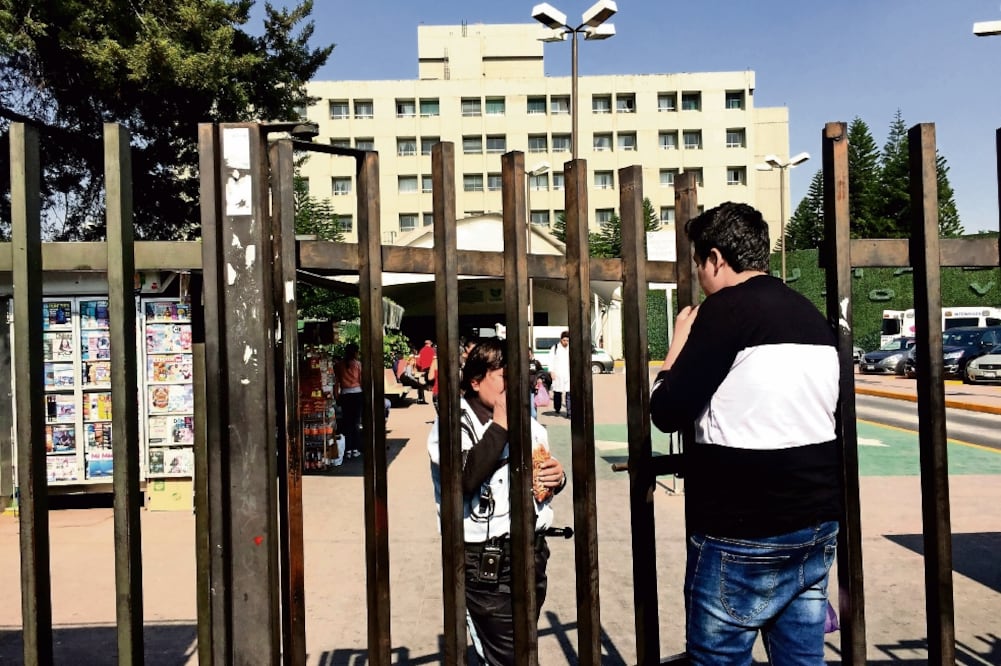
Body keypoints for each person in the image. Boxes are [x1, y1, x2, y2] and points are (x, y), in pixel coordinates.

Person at [649, 202, 841, 665]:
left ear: (715, 258)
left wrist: (674, 350)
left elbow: (667, 411)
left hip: (742, 531)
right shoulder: (809, 315)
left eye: (698, 264)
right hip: (815, 525)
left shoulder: (725, 311)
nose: (699, 276)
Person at [427, 338, 567, 665]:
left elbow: (537, 474)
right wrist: (501, 424)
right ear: (475, 380)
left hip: (531, 551)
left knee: (519, 645)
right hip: (485, 561)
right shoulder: (454, 422)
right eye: (504, 377)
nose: (515, 386)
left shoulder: (525, 422)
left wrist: (556, 478)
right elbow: (461, 479)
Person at [334, 342, 364, 459]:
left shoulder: (339, 365)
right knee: (356, 423)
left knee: (347, 423)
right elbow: (361, 380)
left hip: (345, 395)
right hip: (357, 394)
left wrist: (337, 396)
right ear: (355, 352)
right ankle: (355, 448)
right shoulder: (358, 365)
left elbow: (336, 383)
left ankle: (348, 449)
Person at [547, 331, 571, 418]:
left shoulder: (571, 348)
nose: (566, 342)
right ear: (561, 340)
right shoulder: (555, 348)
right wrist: (551, 372)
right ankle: (557, 409)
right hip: (558, 374)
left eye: (567, 340)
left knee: (569, 393)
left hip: (568, 374)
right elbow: (550, 360)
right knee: (557, 393)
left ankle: (569, 412)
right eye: (564, 340)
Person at [417, 339, 436, 404]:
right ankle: (430, 387)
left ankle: (428, 386)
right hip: (430, 367)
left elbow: (418, 361)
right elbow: (434, 359)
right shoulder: (432, 350)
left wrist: (420, 367)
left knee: (426, 377)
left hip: (424, 368)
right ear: (429, 344)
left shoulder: (421, 350)